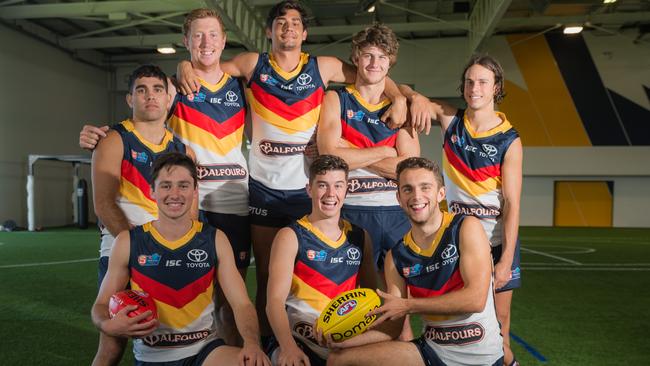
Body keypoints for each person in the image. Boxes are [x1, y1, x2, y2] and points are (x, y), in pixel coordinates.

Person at [174, 0, 413, 341]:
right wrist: (184, 64)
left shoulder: (323, 66)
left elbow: (371, 74)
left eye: (295, 22)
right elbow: (208, 67)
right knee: (269, 280)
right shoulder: (253, 63)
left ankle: (323, 342)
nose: (288, 27)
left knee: (312, 278)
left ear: (305, 32)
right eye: (280, 22)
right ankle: (271, 350)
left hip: (309, 192)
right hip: (264, 192)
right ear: (268, 31)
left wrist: (402, 95)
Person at [81, 9, 252, 345]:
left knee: (226, 302)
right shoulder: (172, 88)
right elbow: (144, 116)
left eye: (213, 34)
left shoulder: (240, 84)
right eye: (198, 35)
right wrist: (98, 136)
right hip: (180, 206)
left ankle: (224, 351)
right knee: (148, 317)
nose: (206, 42)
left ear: (224, 40)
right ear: (186, 41)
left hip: (232, 201)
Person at [91, 152, 270, 366]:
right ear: (152, 191)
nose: (175, 194)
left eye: (183, 186)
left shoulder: (214, 239)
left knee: (255, 363)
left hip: (204, 352)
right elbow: (100, 305)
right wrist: (107, 325)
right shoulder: (128, 241)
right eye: (166, 185)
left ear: (195, 191)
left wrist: (252, 343)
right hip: (153, 357)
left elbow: (241, 304)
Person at [400, 54, 523, 365]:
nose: (474, 88)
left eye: (482, 82)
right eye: (469, 82)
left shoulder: (509, 140)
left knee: (500, 323)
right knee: (452, 321)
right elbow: (399, 88)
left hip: (494, 243)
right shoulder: (451, 120)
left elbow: (512, 204)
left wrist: (506, 258)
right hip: (455, 242)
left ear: (496, 87)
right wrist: (413, 97)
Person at [323, 157, 504, 366]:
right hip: (432, 352)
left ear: (441, 193)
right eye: (408, 189)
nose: (417, 196)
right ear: (399, 197)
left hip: (481, 355)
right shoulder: (397, 256)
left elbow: (475, 299)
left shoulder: (464, 227)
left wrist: (409, 305)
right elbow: (394, 324)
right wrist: (346, 342)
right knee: (340, 359)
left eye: (425, 187)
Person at [91, 65, 191, 366]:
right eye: (142, 90)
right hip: (124, 250)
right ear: (129, 99)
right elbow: (104, 204)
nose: (150, 96)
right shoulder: (114, 139)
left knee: (172, 339)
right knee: (112, 347)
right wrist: (138, 246)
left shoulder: (179, 148)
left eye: (158, 89)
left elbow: (188, 210)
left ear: (167, 98)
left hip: (169, 250)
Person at [316, 24, 419, 272]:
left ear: (390, 62)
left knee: (399, 298)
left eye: (382, 57)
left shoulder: (400, 107)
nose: (375, 63)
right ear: (356, 58)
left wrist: (350, 150)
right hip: (351, 210)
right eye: (368, 55)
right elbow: (329, 156)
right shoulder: (336, 99)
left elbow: (409, 169)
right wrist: (386, 151)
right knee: (353, 295)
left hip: (397, 212)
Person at [265, 154, 376, 366]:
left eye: (338, 186)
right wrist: (288, 349)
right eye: (322, 185)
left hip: (345, 343)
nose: (330, 194)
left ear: (347, 189)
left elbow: (371, 297)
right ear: (310, 189)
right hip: (298, 341)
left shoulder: (360, 236)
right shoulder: (290, 235)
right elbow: (274, 303)